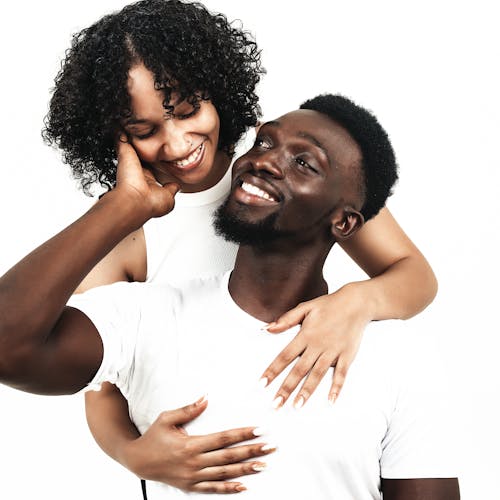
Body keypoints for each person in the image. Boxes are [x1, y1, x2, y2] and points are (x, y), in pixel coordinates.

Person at [40, 0, 438, 492]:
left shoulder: (278, 170)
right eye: (145, 131)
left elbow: (415, 275)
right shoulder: (124, 233)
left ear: (216, 91)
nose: (179, 142)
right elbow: (100, 388)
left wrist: (355, 301)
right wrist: (136, 455)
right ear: (114, 137)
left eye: (188, 112)